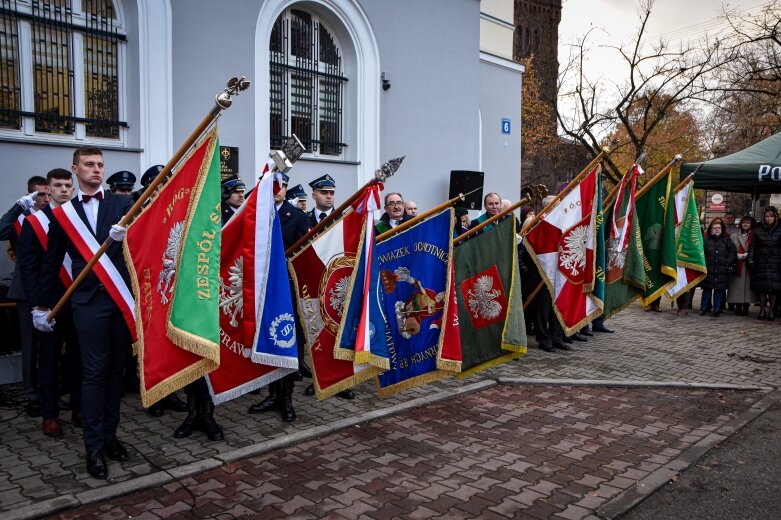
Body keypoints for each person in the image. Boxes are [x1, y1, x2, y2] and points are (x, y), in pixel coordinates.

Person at [32, 146, 133, 480]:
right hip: (88, 302)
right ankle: (92, 446)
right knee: (93, 372)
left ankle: (110, 437)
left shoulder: (122, 204)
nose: (97, 170)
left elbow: (144, 244)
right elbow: (51, 262)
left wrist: (127, 237)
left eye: (100, 165)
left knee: (116, 372)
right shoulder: (64, 215)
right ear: (75, 170)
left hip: (119, 300)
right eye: (89, 165)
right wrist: (42, 305)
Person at [16, 168, 83, 437]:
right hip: (50, 303)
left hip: (79, 299)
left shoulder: (80, 217)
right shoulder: (35, 222)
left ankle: (79, 407)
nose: (64, 190)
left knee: (79, 359)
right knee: (48, 359)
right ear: (49, 189)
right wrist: (37, 306)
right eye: (58, 185)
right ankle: (50, 414)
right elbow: (28, 268)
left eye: (68, 185)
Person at [248, 172, 309, 422]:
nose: (277, 190)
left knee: (285, 340)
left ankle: (286, 398)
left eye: (281, 186)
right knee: (267, 341)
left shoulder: (297, 217)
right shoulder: (256, 213)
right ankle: (272, 394)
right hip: (262, 290)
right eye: (272, 185)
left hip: (287, 290)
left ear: (286, 189)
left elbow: (303, 255)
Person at [0, 175, 49, 417]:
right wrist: (19, 206)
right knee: (30, 345)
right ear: (30, 195)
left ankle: (50, 391)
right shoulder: (20, 220)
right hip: (25, 289)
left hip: (51, 287)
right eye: (40, 194)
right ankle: (32, 395)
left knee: (51, 345)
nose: (45, 198)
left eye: (47, 194)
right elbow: (0, 232)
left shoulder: (53, 216)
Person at [748, 207, 781, 320]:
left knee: (773, 288)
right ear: (764, 217)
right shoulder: (758, 229)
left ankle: (771, 310)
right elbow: (752, 246)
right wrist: (751, 259)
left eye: (771, 216)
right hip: (761, 261)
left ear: (775, 217)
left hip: (776, 262)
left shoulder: (780, 229)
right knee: (762, 288)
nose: (769, 219)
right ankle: (762, 310)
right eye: (767, 216)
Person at [699, 218, 737, 317]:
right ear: (711, 229)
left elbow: (733, 252)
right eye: (714, 228)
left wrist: (727, 262)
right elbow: (700, 253)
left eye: (719, 228)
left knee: (719, 290)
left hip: (721, 269)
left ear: (722, 229)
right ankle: (703, 308)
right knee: (707, 290)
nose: (717, 230)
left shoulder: (726, 240)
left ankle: (717, 309)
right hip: (709, 268)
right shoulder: (705, 240)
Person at [727, 215, 758, 316]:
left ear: (751, 224)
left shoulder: (754, 235)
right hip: (738, 265)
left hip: (749, 265)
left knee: (747, 288)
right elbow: (730, 249)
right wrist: (737, 255)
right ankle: (738, 306)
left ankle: (746, 306)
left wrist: (749, 255)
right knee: (737, 287)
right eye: (744, 222)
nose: (745, 224)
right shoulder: (734, 236)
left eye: (748, 222)